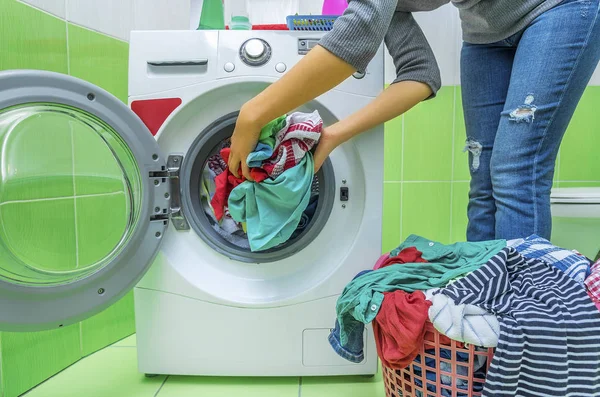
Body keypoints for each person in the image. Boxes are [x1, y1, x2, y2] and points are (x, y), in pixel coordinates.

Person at [228, 0, 600, 242]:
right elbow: (420, 74)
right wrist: (333, 136)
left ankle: (525, 336)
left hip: (557, 10)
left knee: (515, 171)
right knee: (483, 179)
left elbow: (356, 38)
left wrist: (253, 114)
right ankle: (484, 331)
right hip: (485, 33)